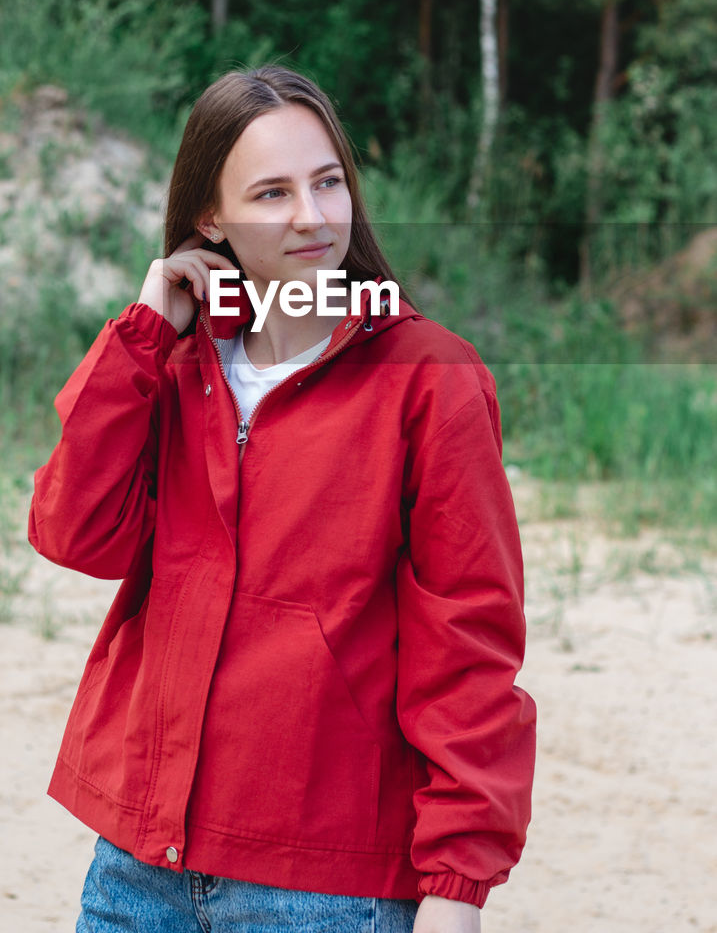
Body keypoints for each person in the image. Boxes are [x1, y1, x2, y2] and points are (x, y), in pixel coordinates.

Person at [28, 65, 536, 933]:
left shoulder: (430, 380)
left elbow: (469, 641)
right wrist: (143, 333)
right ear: (208, 219)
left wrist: (456, 889)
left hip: (325, 884)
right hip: (138, 868)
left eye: (328, 180)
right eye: (271, 192)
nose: (312, 214)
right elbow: (77, 534)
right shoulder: (176, 364)